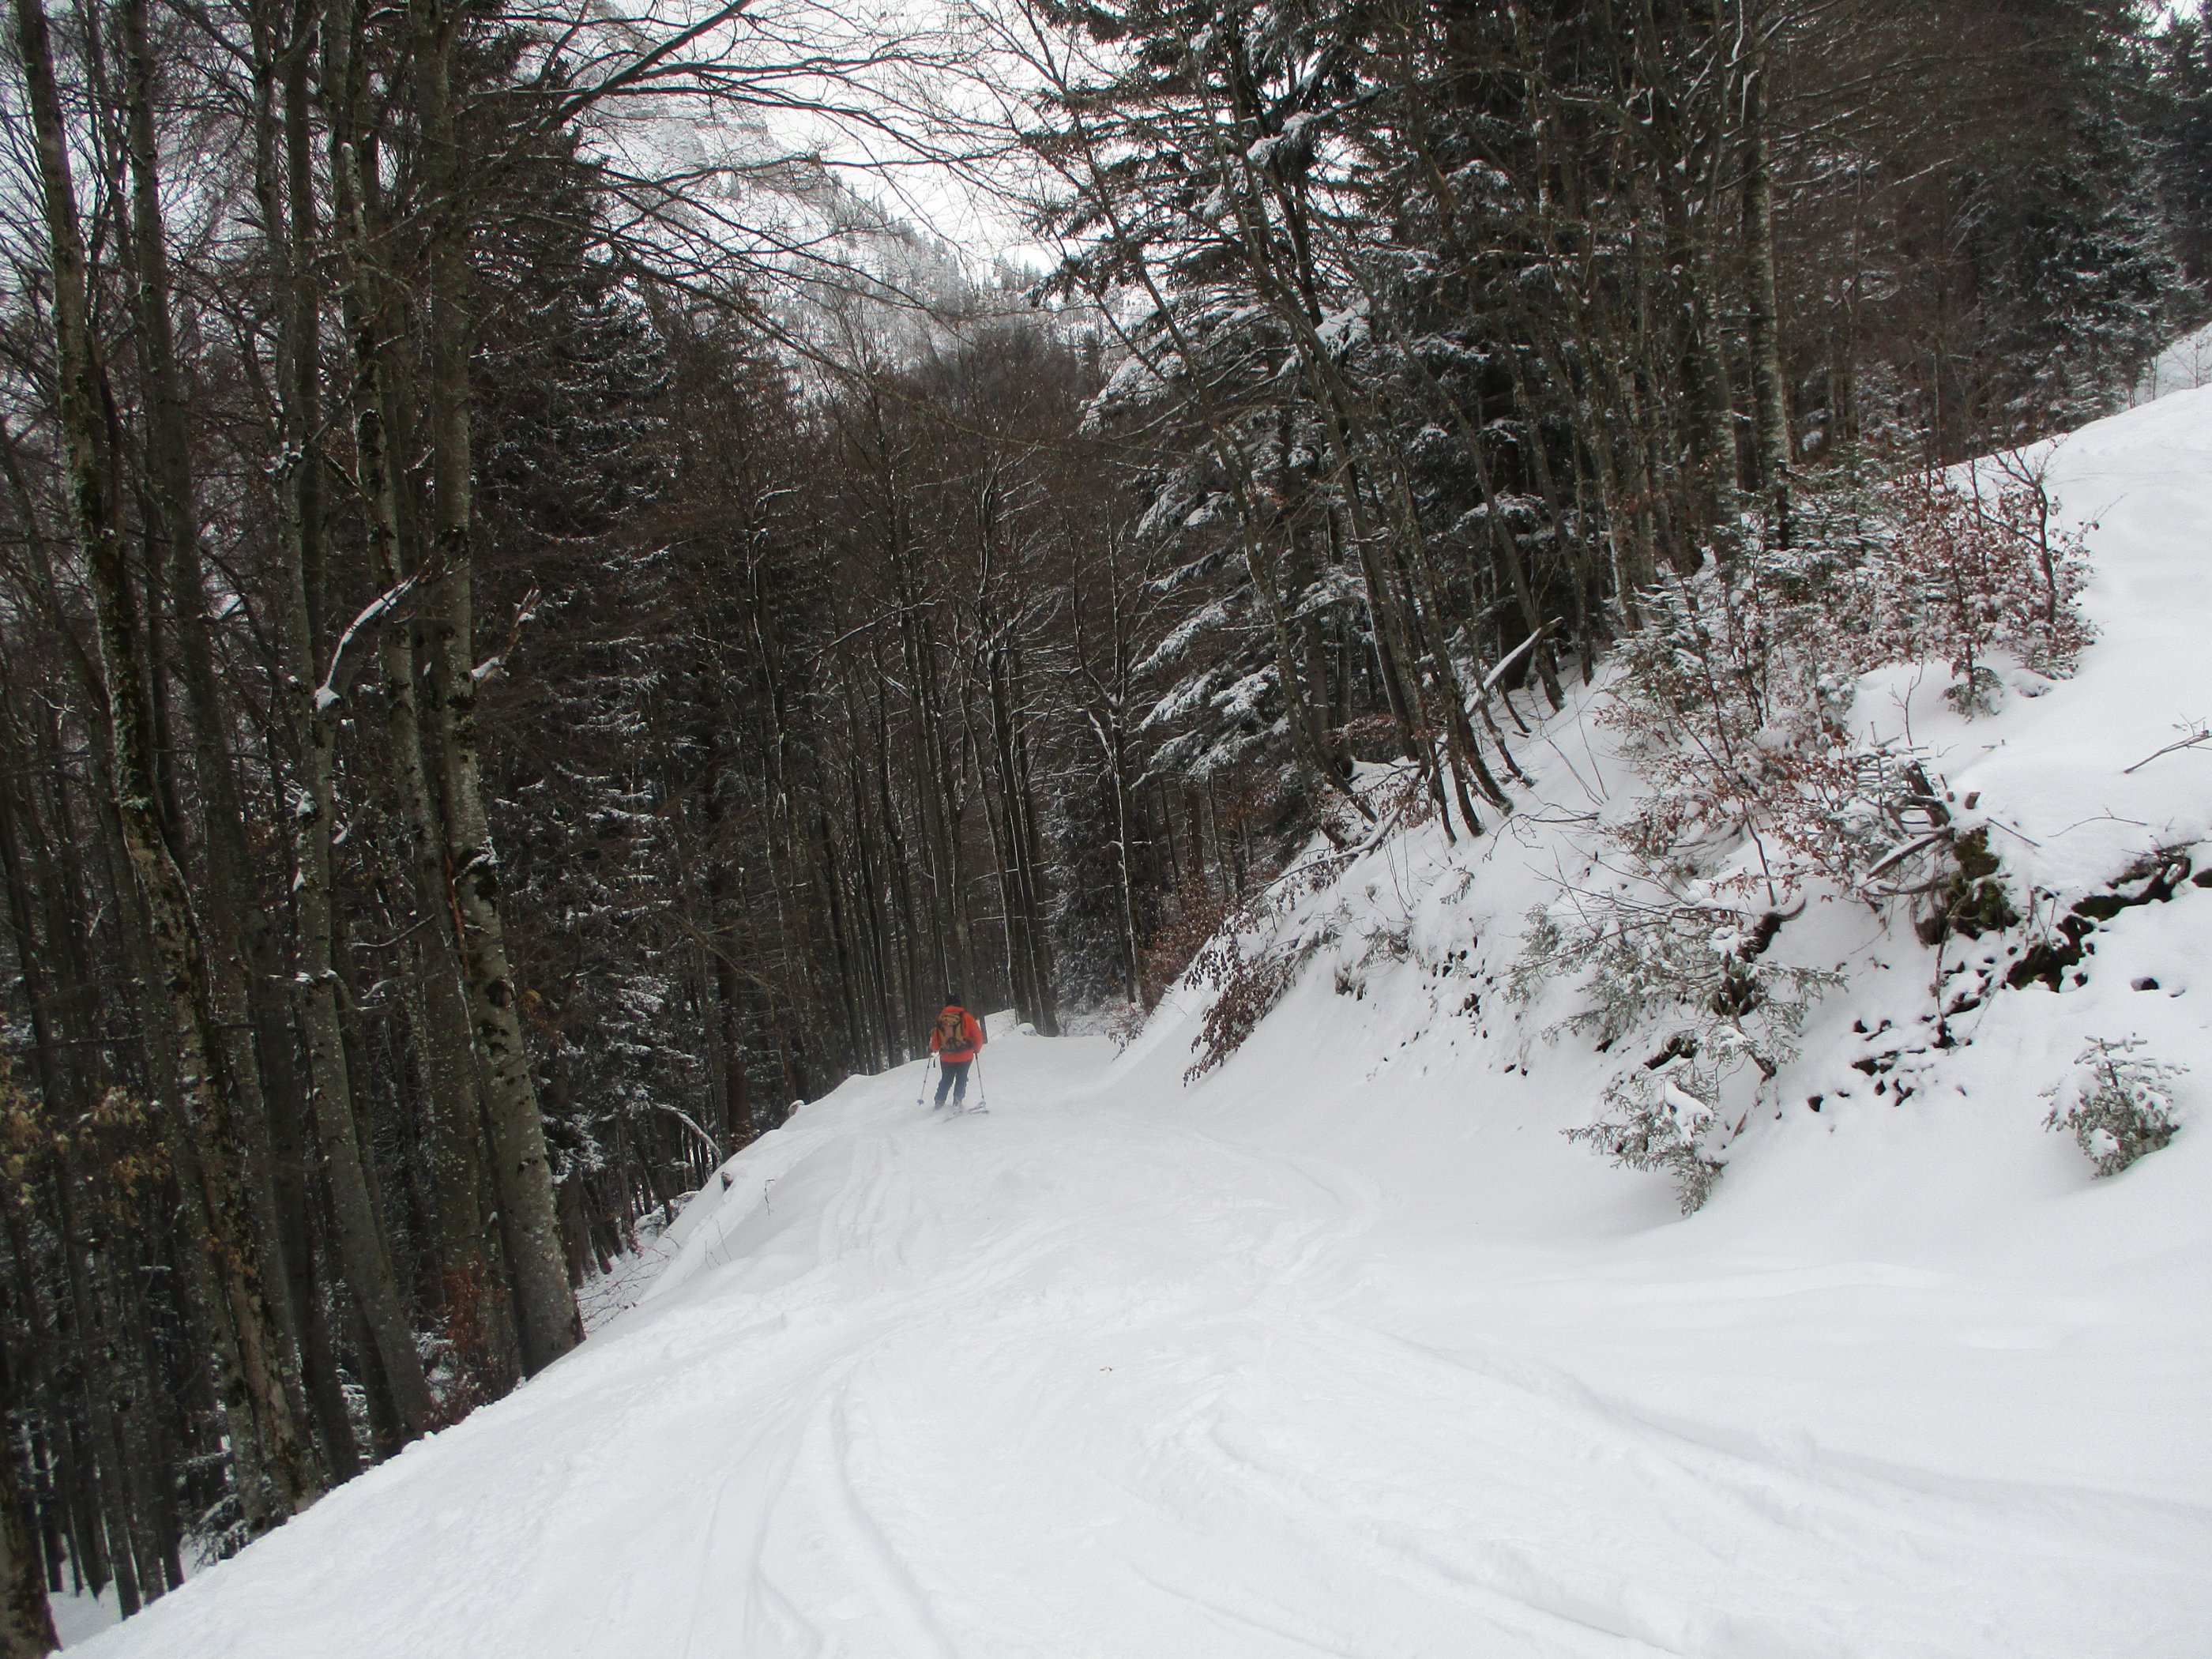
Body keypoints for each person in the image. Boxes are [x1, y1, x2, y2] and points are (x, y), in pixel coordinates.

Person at [928, 995, 985, 1109]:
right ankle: (957, 1102)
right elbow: (978, 1036)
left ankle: (939, 1101)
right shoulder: (967, 1018)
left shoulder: (941, 1019)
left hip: (947, 1057)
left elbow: (935, 1043)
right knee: (961, 1078)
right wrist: (976, 1049)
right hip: (965, 1056)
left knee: (946, 1079)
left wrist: (934, 1048)